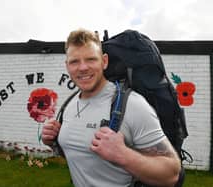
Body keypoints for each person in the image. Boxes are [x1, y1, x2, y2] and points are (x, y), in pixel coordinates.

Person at [42, 28, 181, 187]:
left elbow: (172, 174)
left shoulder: (132, 105)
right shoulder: (70, 104)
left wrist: (123, 155)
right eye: (75, 61)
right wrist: (53, 142)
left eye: (91, 59)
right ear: (67, 66)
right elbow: (81, 156)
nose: (83, 68)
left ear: (104, 61)